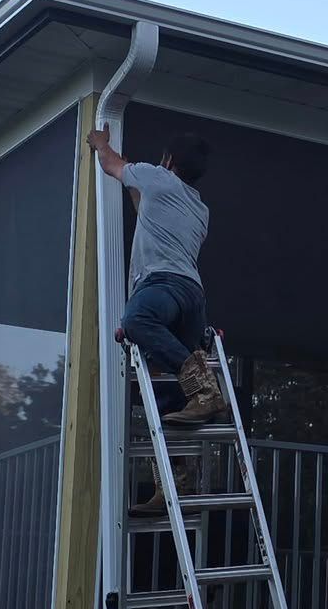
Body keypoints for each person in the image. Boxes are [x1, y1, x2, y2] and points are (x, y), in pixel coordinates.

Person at [86, 123, 225, 424]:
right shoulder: (200, 210)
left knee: (136, 320)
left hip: (163, 285)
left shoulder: (156, 176)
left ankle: (204, 387)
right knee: (171, 382)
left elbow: (111, 165)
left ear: (169, 160)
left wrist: (100, 143)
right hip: (193, 297)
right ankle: (179, 466)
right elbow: (145, 207)